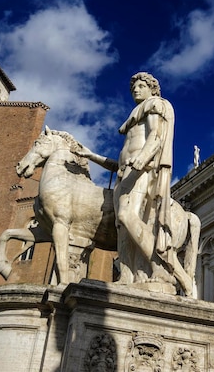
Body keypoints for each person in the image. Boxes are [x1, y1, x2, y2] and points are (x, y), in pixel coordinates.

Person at [75, 72, 176, 288]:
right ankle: (128, 276)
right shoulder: (133, 117)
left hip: (143, 169)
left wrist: (142, 159)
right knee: (122, 227)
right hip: (126, 172)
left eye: (140, 86)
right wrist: (92, 155)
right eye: (133, 89)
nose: (136, 91)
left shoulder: (154, 105)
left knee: (126, 215)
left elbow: (156, 137)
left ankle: (160, 267)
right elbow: (118, 163)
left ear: (152, 88)